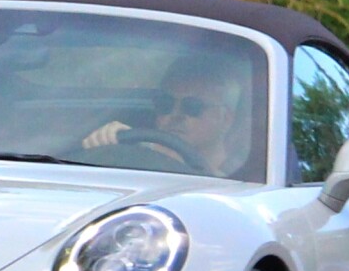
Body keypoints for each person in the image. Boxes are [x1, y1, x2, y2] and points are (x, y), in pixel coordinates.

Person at [84, 52, 253, 177]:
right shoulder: (134, 155)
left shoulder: (245, 175)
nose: (176, 114)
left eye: (192, 106)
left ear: (226, 118)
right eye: (165, 103)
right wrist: (105, 146)